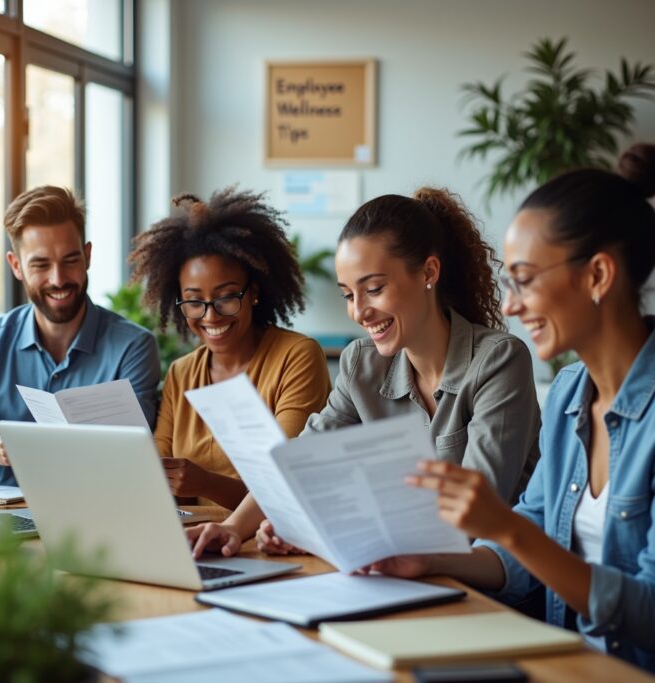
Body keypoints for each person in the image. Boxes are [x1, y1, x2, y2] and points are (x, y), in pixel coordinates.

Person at [371, 165, 655, 672]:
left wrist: (506, 528)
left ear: (598, 275)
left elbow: (648, 613)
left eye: (524, 281)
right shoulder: (570, 392)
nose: (510, 305)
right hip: (562, 663)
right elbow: (531, 546)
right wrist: (432, 561)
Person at [188, 187, 541, 556]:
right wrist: (233, 528)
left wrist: (329, 529)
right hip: (402, 575)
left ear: (428, 272)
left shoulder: (498, 361)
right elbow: (300, 461)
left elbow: (477, 509)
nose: (359, 312)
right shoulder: (362, 362)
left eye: (374, 288)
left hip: (490, 588)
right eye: (348, 295)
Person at [0, 186, 160, 486]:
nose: (58, 279)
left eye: (70, 260)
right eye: (41, 264)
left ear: (87, 255)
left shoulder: (133, 347)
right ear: (16, 266)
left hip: (100, 514)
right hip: (10, 520)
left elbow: (135, 459)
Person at [128, 187, 331, 509]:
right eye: (194, 301)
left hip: (267, 542)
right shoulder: (182, 373)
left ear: (253, 293)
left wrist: (205, 483)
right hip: (190, 537)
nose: (210, 316)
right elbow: (156, 471)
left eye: (226, 297)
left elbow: (287, 484)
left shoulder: (296, 357)